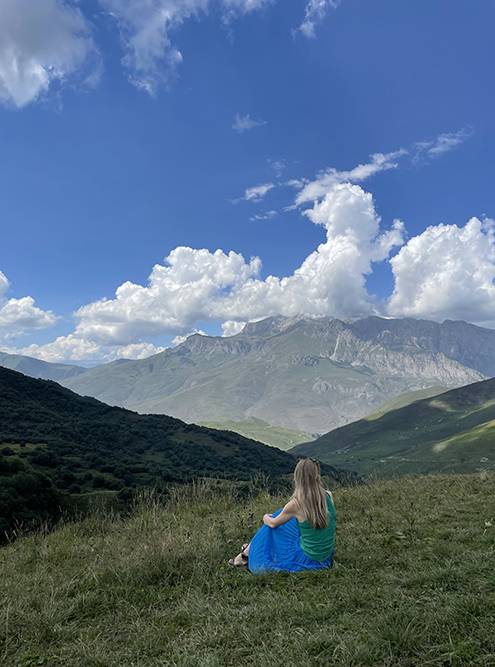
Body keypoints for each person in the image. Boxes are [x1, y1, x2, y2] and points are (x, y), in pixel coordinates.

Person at [229, 458, 336, 573]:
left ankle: (245, 555)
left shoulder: (297, 504)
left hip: (308, 559)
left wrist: (265, 517)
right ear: (317, 475)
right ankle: (247, 551)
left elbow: (272, 524)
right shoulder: (328, 495)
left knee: (272, 522)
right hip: (326, 558)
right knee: (281, 514)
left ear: (297, 477)